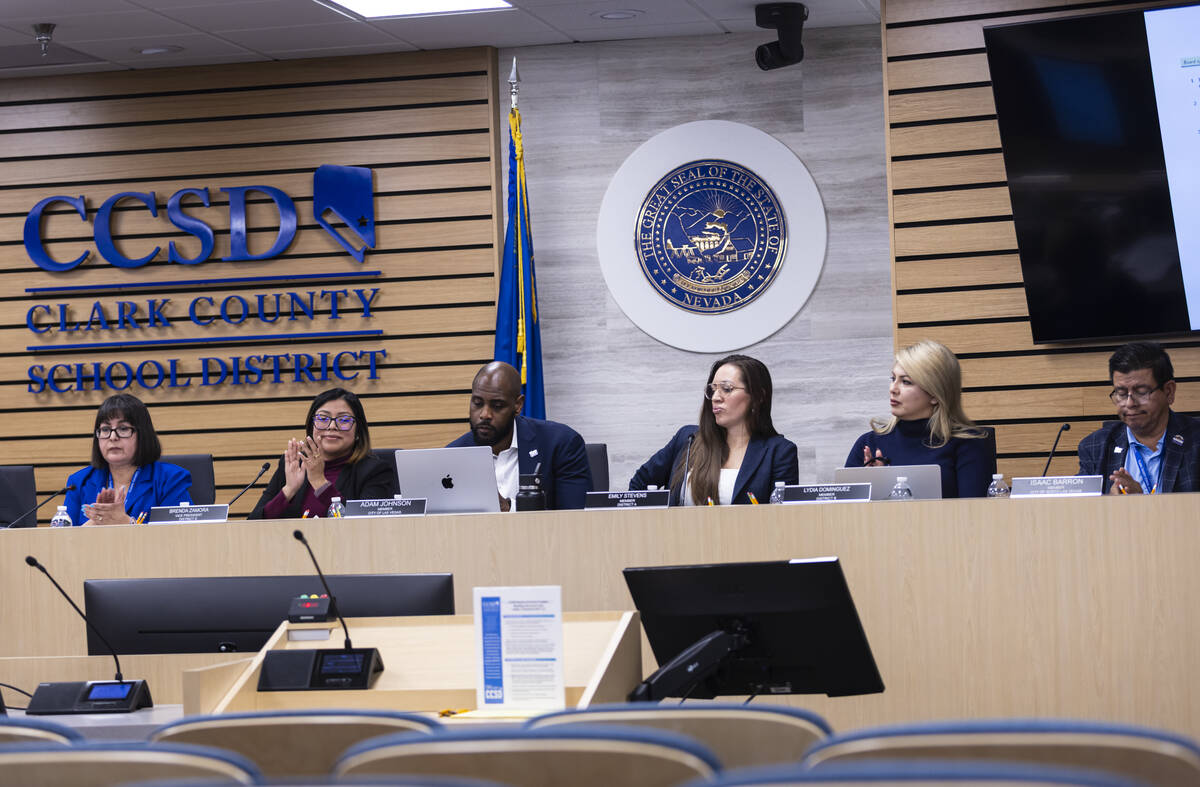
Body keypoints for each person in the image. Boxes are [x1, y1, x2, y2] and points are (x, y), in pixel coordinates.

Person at [630, 354, 798, 505]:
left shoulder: (779, 452)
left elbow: (783, 518)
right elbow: (638, 487)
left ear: (757, 397)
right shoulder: (688, 440)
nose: (716, 397)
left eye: (726, 389)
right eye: (713, 389)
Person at [845, 340, 994, 498]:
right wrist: (873, 491)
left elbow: (976, 515)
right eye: (893, 378)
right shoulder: (868, 444)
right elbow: (842, 514)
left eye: (905, 382)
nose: (893, 389)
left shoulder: (967, 444)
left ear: (935, 394)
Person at [446, 361, 591, 511]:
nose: (485, 414)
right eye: (477, 403)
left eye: (497, 406)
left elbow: (577, 517)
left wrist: (508, 508)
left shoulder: (560, 444)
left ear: (518, 405)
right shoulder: (453, 455)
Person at [250, 387, 397, 518]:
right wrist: (288, 491)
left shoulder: (375, 471)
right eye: (323, 418)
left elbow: (367, 527)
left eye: (344, 419)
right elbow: (253, 524)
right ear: (311, 427)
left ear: (358, 431)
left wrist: (320, 482)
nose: (332, 426)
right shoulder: (293, 465)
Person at [1077, 342, 1200, 494]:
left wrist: (1140, 504)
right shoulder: (1095, 447)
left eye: (1141, 392)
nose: (1130, 403)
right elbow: (1082, 510)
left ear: (1168, 392)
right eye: (1121, 393)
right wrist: (1108, 503)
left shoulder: (1196, 440)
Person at [64, 394, 193, 526]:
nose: (113, 437)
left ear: (142, 434)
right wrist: (95, 524)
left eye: (123, 429)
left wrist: (126, 523)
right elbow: (63, 541)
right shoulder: (78, 482)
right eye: (105, 429)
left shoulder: (170, 479)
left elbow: (180, 537)